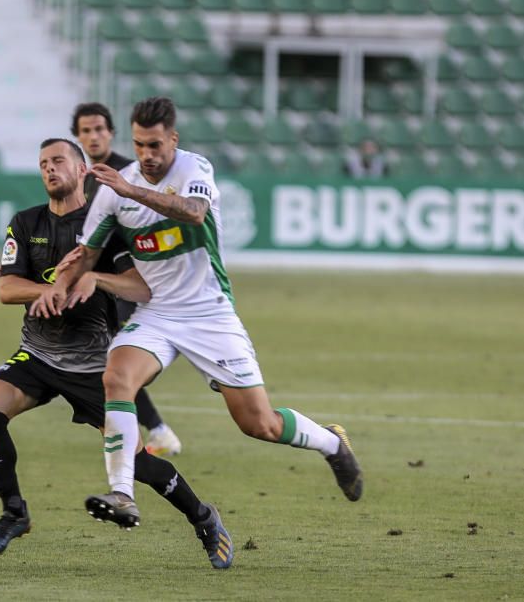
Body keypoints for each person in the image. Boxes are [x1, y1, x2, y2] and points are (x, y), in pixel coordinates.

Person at [32, 96, 363, 529]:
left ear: (173, 139)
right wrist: (58, 287)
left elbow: (194, 213)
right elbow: (87, 254)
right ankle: (123, 493)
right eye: (139, 146)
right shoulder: (115, 192)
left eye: (155, 146)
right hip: (157, 312)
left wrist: (131, 189)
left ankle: (331, 444)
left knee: (257, 423)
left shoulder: (192, 170)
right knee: (116, 377)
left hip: (209, 313)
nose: (147, 156)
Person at [0, 138, 233, 569]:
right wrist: (50, 290)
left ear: (82, 170)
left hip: (95, 362)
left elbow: (141, 288)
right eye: (42, 164)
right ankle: (13, 513)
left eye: (58, 161)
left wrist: (92, 279)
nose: (49, 169)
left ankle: (203, 518)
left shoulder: (105, 228)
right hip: (38, 353)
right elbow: (6, 288)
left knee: (136, 463)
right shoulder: (24, 222)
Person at [72, 101, 182, 458]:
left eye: (99, 129)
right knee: (109, 357)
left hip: (134, 275)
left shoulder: (130, 172)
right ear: (77, 136)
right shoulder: (83, 177)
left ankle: (151, 433)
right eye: (86, 131)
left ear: (112, 133)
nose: (93, 136)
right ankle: (148, 431)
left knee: (114, 356)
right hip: (104, 277)